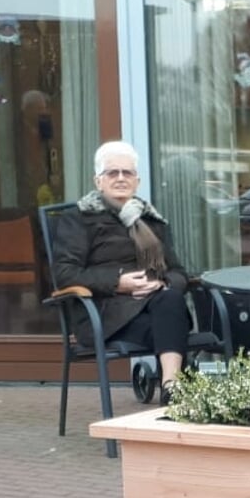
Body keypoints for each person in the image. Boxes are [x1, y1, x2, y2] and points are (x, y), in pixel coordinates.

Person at [50, 142, 191, 402]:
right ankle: (175, 389)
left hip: (153, 307)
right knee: (174, 323)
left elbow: (179, 272)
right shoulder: (79, 219)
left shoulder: (150, 221)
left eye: (127, 173)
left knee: (171, 299)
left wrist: (161, 282)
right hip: (104, 315)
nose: (120, 178)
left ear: (137, 181)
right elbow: (65, 273)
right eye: (112, 173)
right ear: (98, 181)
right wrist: (118, 282)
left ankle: (171, 387)